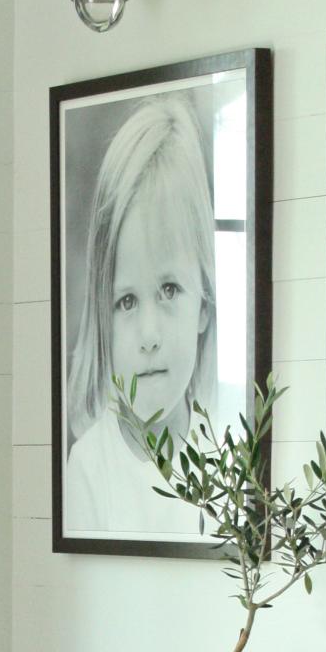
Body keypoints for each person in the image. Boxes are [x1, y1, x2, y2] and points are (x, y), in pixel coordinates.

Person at [65, 92, 216, 537]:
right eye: (126, 301)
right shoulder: (90, 471)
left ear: (204, 305)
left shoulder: (228, 457)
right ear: (103, 318)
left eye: (169, 289)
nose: (149, 335)